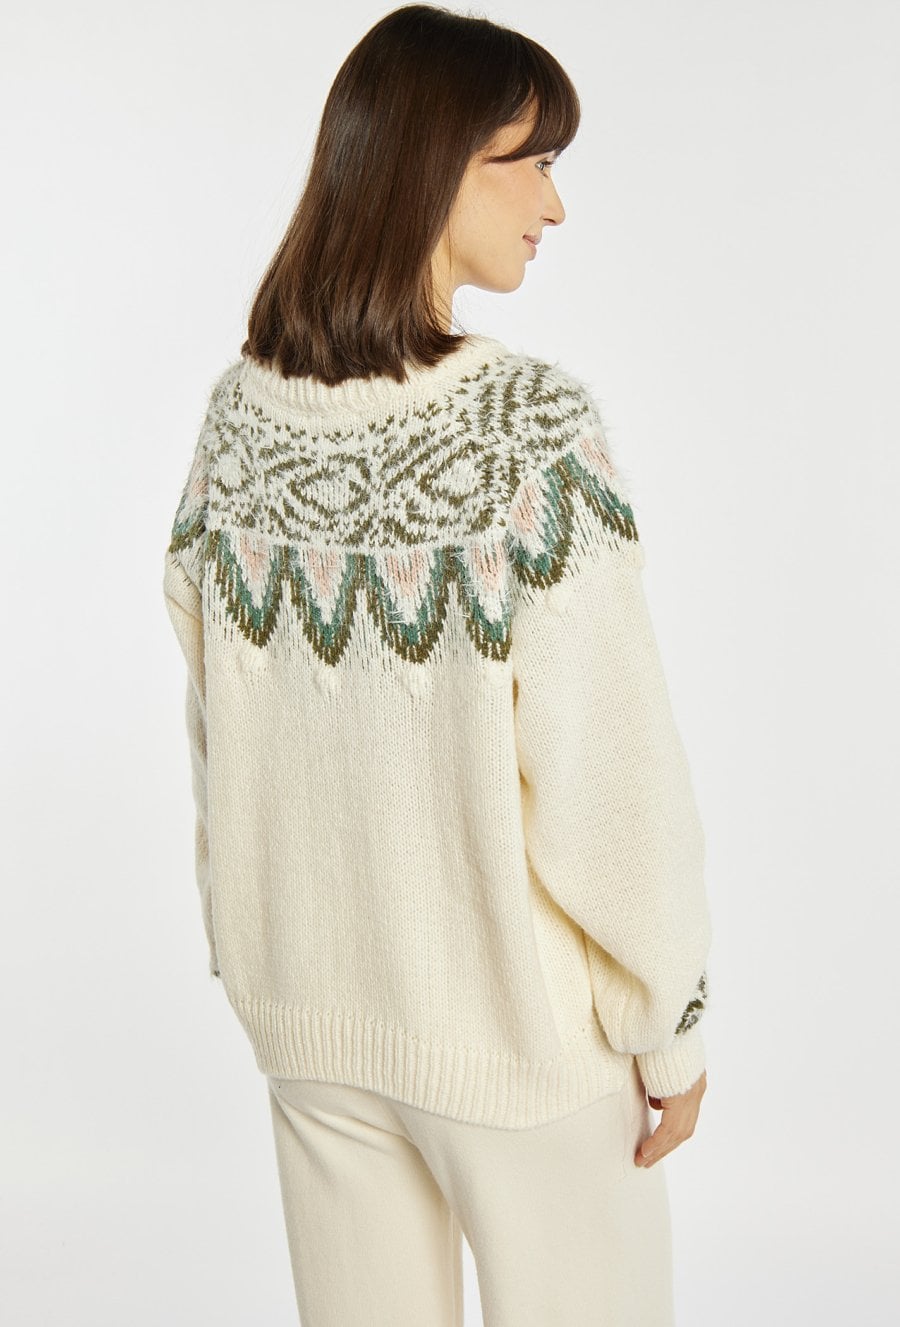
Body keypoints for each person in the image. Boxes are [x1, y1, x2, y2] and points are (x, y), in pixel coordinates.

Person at [162, 5, 713, 1323]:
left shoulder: (240, 421)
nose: (555, 204)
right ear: (434, 164)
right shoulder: (526, 430)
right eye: (532, 162)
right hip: (520, 1049)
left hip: (314, 1028)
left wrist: (255, 949)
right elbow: (608, 777)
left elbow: (213, 720)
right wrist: (671, 1027)